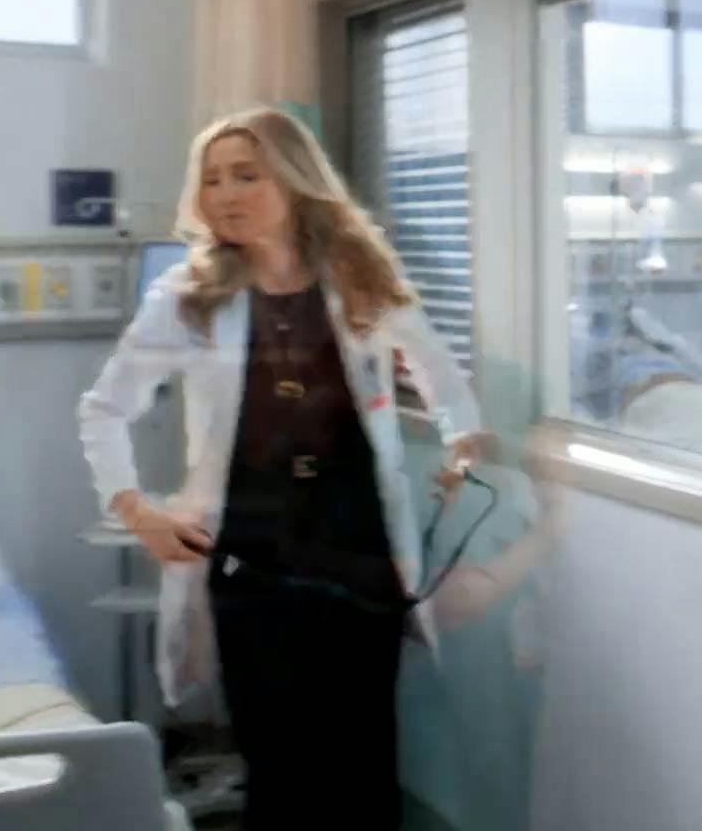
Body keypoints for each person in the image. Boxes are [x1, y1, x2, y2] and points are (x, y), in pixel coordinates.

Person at [79, 106, 484, 829]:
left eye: (246, 175)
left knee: (364, 760)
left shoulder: (359, 277)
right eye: (211, 180)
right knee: (279, 765)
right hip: (252, 557)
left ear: (295, 181)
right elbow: (104, 409)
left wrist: (461, 444)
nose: (224, 195)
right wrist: (137, 511)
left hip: (359, 552)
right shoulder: (188, 299)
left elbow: (440, 372)